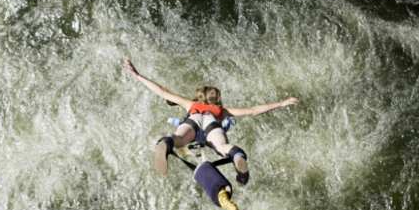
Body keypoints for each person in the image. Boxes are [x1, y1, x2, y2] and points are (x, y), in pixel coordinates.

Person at [123, 58, 299, 184]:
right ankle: (237, 155)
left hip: (193, 120)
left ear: (199, 97)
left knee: (178, 140)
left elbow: (161, 91)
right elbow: (253, 111)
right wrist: (282, 103)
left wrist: (137, 75)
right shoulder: (221, 111)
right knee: (223, 148)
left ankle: (166, 143)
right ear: (216, 99)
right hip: (212, 124)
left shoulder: (191, 104)